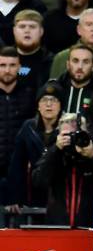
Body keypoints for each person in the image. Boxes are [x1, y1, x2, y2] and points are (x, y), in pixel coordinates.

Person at [32, 112, 93, 227]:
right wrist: (56, 150)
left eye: (77, 135)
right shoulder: (54, 155)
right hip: (58, 229)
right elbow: (38, 180)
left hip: (89, 230)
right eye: (66, 135)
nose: (72, 139)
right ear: (58, 135)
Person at [4, 80, 62, 212]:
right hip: (34, 193)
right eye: (44, 100)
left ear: (60, 105)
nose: (48, 104)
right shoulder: (29, 127)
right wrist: (14, 197)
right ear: (38, 106)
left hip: (61, 194)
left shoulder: (67, 128)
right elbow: (17, 165)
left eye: (54, 100)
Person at [0, 47, 35, 204]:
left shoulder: (29, 93)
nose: (7, 70)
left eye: (12, 65)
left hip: (20, 168)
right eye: (2, 65)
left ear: (19, 67)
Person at [13, 9, 53, 91]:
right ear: (14, 31)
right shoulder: (3, 58)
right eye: (22, 26)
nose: (27, 31)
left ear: (41, 31)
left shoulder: (51, 61)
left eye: (32, 27)